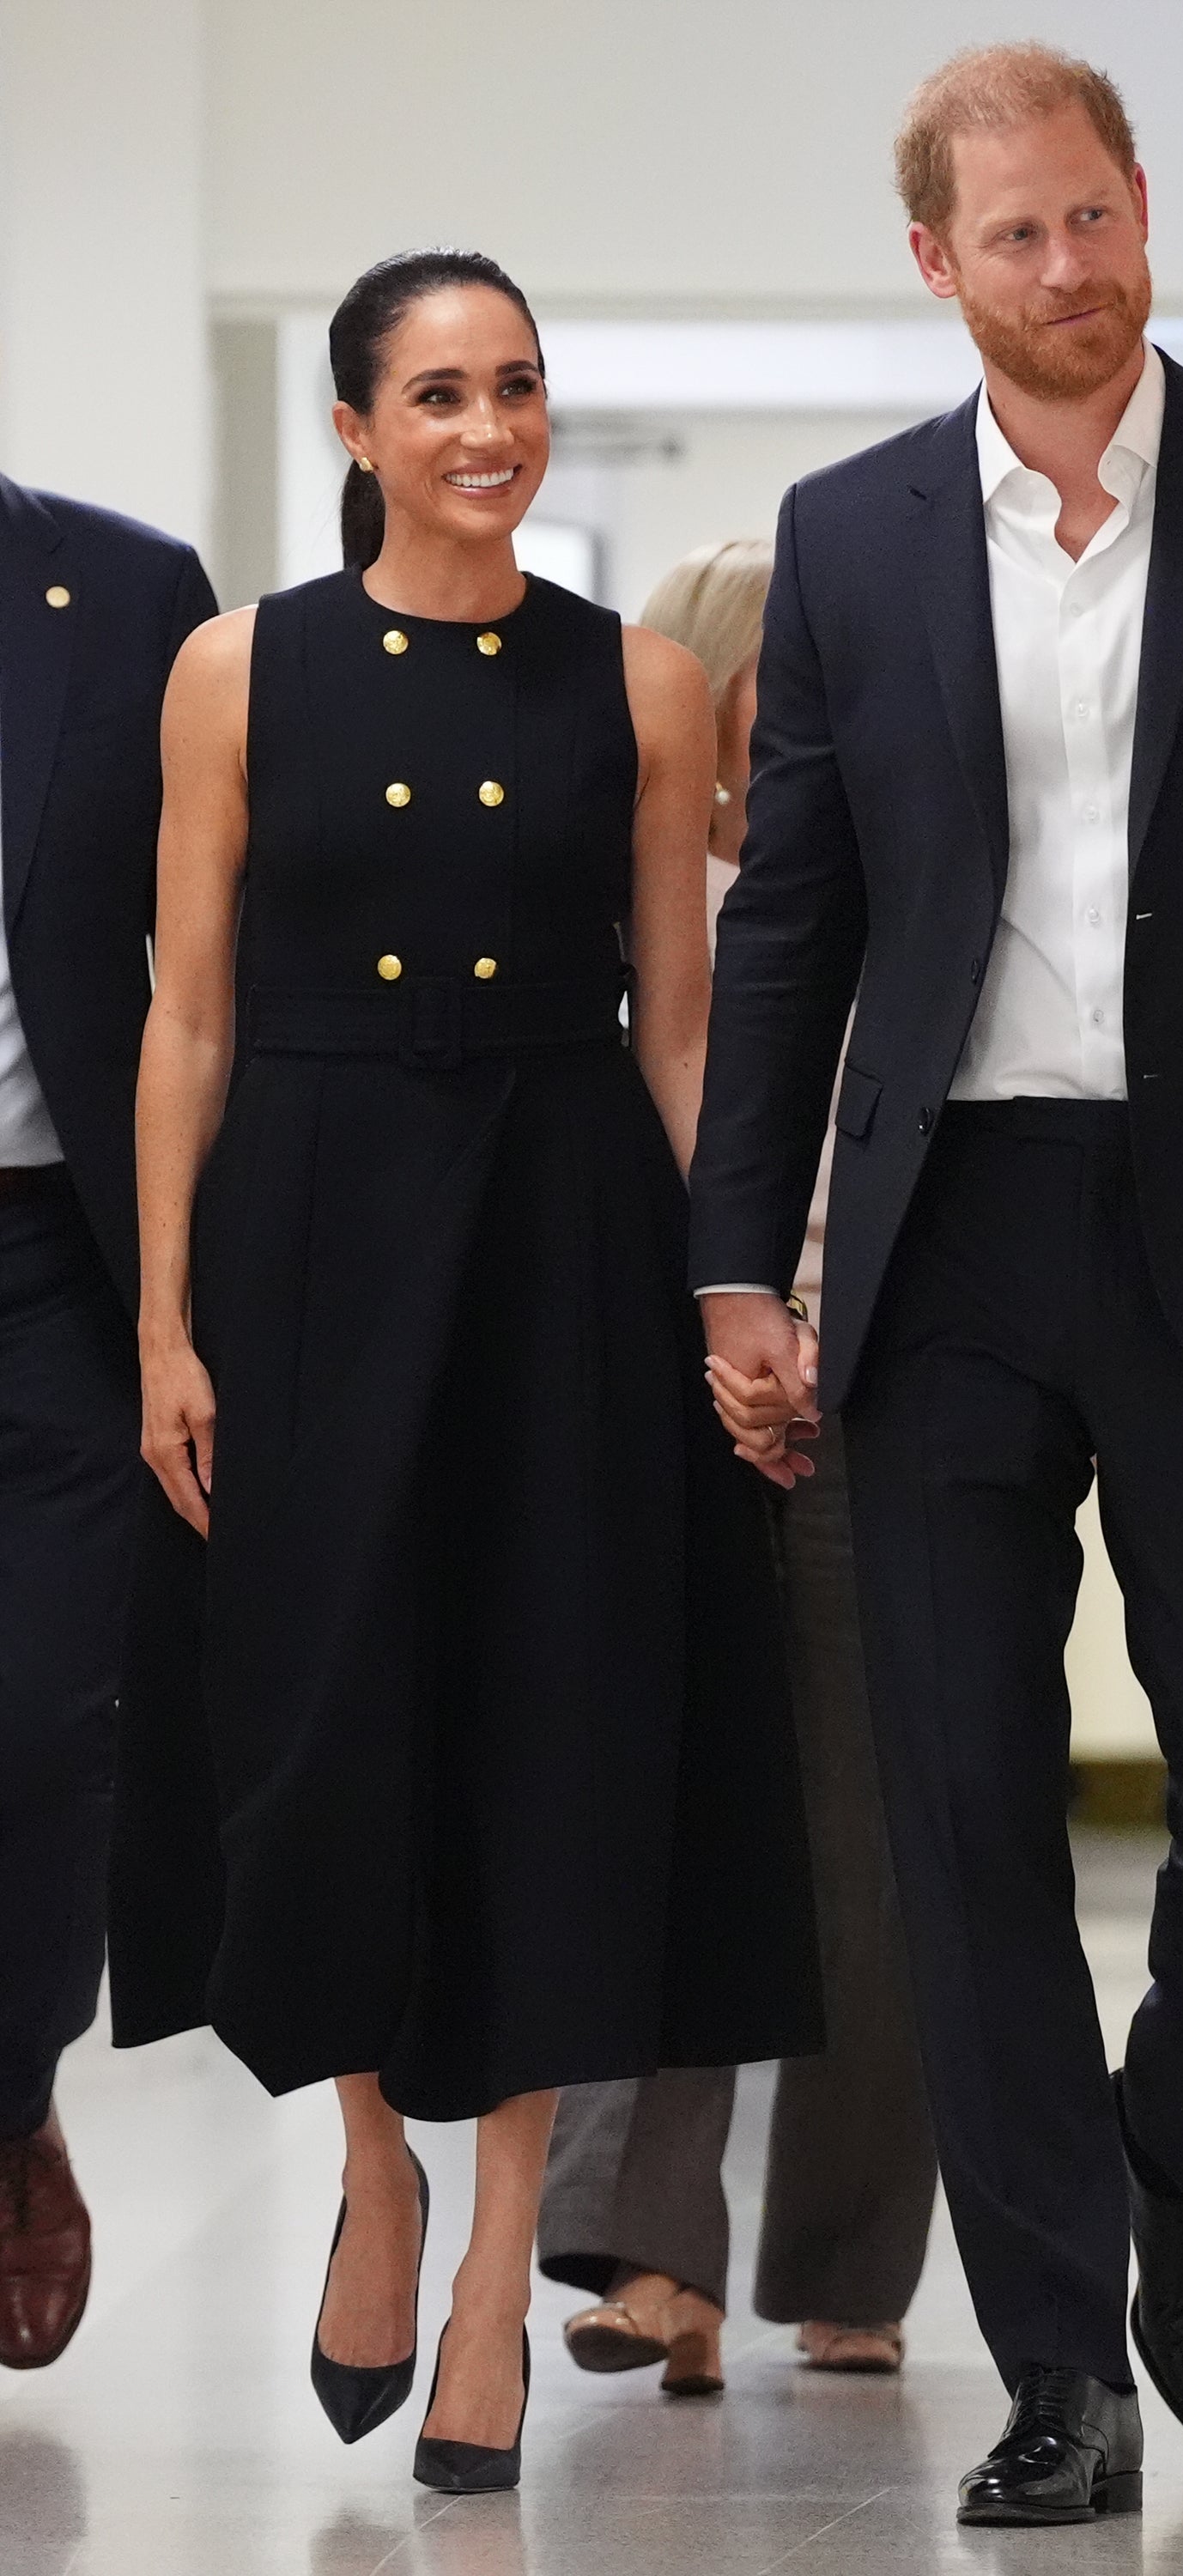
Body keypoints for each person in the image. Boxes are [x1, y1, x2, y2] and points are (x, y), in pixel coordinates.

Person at [690, 40, 1183, 2532]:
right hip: (946, 1244)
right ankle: (1061, 2362)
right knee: (958, 1814)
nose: (1074, 268)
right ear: (933, 262)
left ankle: (1166, 2154)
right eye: (1017, 234)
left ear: (1144, 210)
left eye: (1101, 216)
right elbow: (799, 919)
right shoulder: (842, 539)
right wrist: (737, 1256)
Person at [106, 250, 820, 2494]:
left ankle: (501, 2253)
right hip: (309, 1223)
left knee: (547, 1735)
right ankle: (375, 2163)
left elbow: (683, 1025)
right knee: (320, 1731)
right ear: (354, 430)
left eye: (516, 386)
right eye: (436, 392)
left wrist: (737, 1288)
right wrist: (161, 1317)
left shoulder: (638, 686)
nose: (485, 425)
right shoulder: (239, 670)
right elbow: (189, 1009)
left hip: (559, 1235)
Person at [538, 540, 938, 2393]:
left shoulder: (924, 891)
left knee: (874, 1839)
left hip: (886, 1387)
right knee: (652, 1810)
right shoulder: (634, 893)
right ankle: (648, 2257)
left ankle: (850, 2269)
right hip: (660, 1394)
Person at [0, 471, 214, 2370]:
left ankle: (7, 2095)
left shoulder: (125, 594)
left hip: (57, 1259)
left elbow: (218, 951)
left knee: (53, 1718)